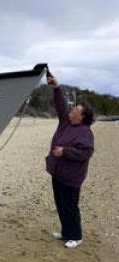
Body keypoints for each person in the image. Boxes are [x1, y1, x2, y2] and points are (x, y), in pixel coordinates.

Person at [46, 74, 95, 248]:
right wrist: (56, 87)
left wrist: (64, 151)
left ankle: (76, 236)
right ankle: (66, 232)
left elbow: (85, 152)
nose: (72, 110)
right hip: (58, 173)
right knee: (60, 204)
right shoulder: (66, 122)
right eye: (73, 109)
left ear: (81, 117)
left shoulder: (85, 132)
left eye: (76, 110)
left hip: (71, 177)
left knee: (70, 207)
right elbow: (61, 105)